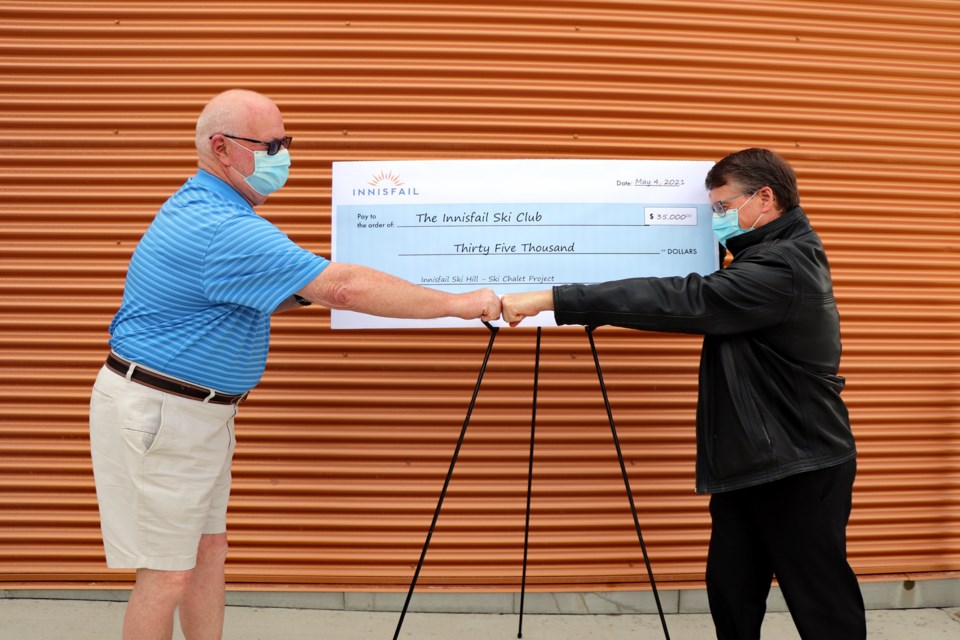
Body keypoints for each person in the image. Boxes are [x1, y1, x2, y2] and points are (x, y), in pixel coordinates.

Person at [89, 88, 501, 640]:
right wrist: (457, 302)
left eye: (287, 141)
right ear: (223, 148)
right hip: (163, 417)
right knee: (166, 574)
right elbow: (346, 288)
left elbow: (274, 293)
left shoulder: (212, 206)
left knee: (208, 553)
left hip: (195, 415)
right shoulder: (222, 226)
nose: (284, 155)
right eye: (273, 144)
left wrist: (310, 284)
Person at [501, 148, 865, 640]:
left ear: (765, 198)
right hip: (753, 463)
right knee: (731, 590)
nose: (715, 218)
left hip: (800, 464)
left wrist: (554, 298)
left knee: (820, 601)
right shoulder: (759, 255)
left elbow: (687, 298)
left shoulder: (783, 267)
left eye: (721, 207)